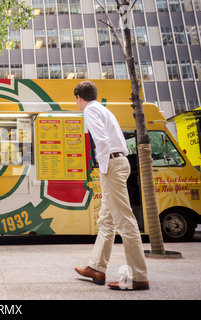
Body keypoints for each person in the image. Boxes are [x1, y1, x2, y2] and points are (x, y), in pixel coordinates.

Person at [73, 80, 149, 290]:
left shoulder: (89, 111)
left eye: (77, 101)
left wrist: (104, 169)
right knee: (106, 221)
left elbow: (102, 141)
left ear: (79, 98)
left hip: (112, 165)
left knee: (125, 221)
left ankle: (139, 276)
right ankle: (96, 267)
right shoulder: (103, 110)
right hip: (120, 162)